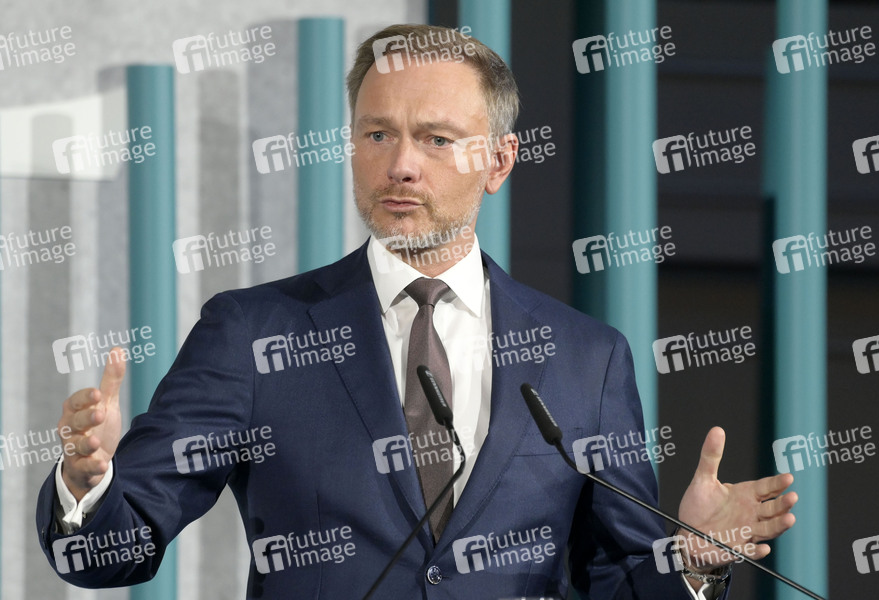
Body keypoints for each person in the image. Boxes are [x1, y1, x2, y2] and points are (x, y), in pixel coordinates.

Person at [37, 23, 797, 598]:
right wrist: (86, 485)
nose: (400, 165)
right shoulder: (253, 333)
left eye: (435, 139)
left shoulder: (585, 358)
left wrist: (686, 559)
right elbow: (109, 554)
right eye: (378, 134)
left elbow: (615, 580)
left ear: (498, 161)